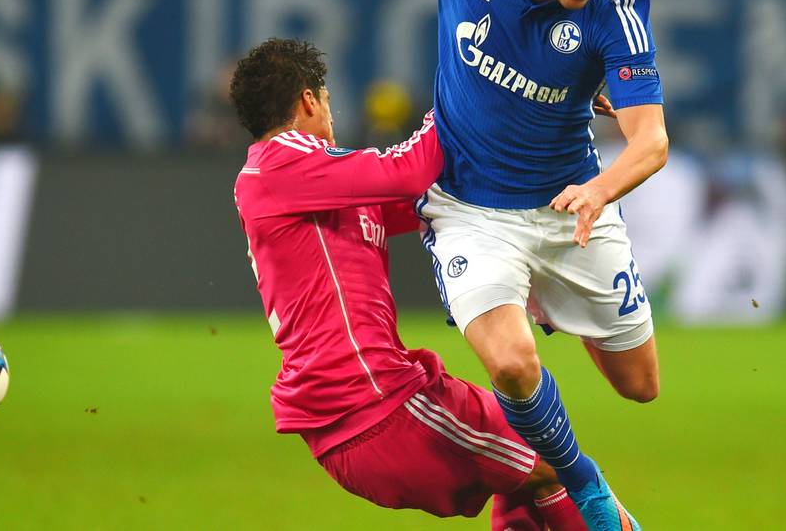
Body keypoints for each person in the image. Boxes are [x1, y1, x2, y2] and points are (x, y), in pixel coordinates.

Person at [309, 0, 670, 530]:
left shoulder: (618, 9)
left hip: (569, 208)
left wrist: (598, 191)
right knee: (510, 363)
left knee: (641, 386)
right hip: (469, 209)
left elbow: (650, 141)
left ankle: (549, 306)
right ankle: (582, 481)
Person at [231, 37, 589, 530]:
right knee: (557, 466)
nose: (332, 114)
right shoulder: (284, 159)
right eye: (328, 100)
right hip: (375, 406)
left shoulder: (307, 181)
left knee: (527, 453)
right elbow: (410, 170)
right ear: (308, 100)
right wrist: (466, 88)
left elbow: (426, 200)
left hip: (368, 408)